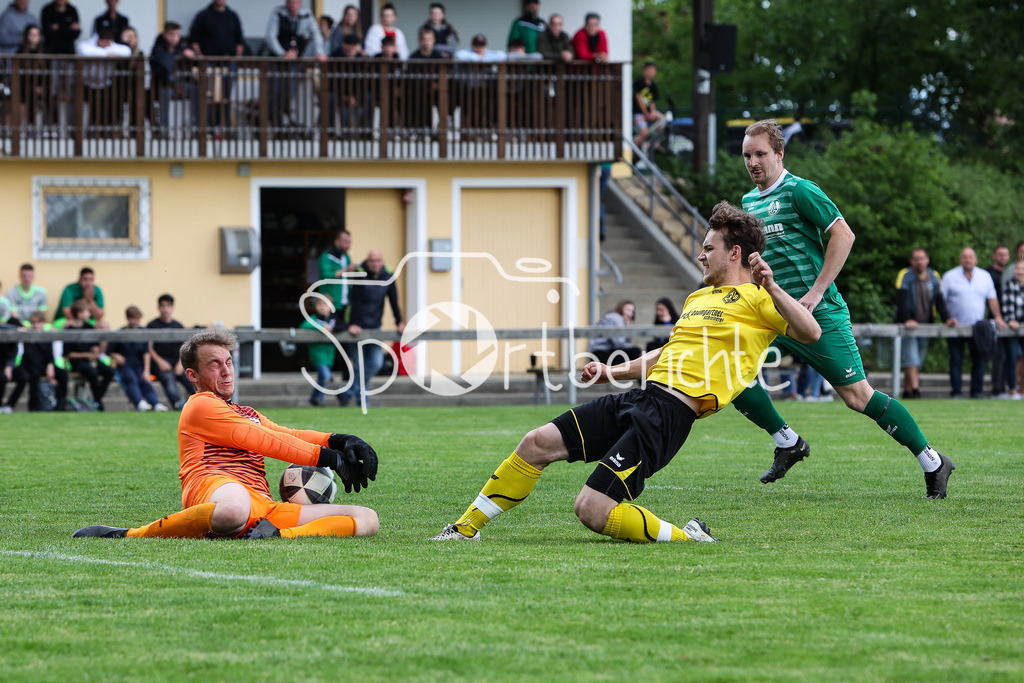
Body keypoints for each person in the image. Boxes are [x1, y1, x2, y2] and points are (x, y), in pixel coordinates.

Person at [431, 201, 822, 543]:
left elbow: (811, 331)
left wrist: (772, 287)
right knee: (536, 443)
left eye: (708, 248)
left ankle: (687, 537)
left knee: (591, 509)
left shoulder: (759, 299)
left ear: (734, 253)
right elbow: (667, 353)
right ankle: (464, 529)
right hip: (640, 398)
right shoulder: (698, 297)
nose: (701, 256)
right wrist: (609, 372)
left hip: (669, 417)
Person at [732, 119, 954, 498]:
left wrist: (817, 292)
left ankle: (933, 461)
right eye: (747, 156)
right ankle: (787, 441)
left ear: (780, 154)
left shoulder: (800, 191)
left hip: (818, 312)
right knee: (730, 370)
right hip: (775, 312)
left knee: (857, 397)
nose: (753, 162)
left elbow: (843, 234)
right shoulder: (749, 202)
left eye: (760, 154)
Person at [73, 330, 379, 540]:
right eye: (215, 364)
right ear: (193, 375)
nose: (226, 371)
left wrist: (339, 439)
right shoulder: (200, 405)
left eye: (229, 362)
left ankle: (271, 535)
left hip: (262, 506)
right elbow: (263, 441)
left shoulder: (245, 411)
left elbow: (286, 433)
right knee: (234, 507)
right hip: (214, 487)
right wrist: (331, 459)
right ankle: (130, 534)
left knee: (367, 519)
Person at [340, 250, 404, 408]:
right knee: (358, 365)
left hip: (375, 326)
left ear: (382, 261)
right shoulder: (359, 274)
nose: (375, 264)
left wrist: (399, 321)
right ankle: (363, 400)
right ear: (367, 261)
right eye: (372, 261)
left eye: (378, 260)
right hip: (357, 327)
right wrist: (352, 324)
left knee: (376, 362)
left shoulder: (388, 276)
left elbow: (394, 300)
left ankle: (348, 392)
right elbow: (353, 301)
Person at [942, 247, 1005, 398]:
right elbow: (941, 301)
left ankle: (976, 391)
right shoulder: (949, 276)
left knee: (979, 360)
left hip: (978, 328)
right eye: (965, 257)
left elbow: (992, 298)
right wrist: (946, 318)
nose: (968, 259)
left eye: (971, 257)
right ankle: (956, 392)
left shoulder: (985, 276)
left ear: (976, 259)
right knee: (956, 360)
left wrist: (998, 316)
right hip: (955, 327)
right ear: (960, 259)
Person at [895, 248, 953, 399]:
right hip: (908, 326)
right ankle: (916, 390)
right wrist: (907, 319)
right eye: (916, 259)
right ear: (911, 261)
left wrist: (947, 318)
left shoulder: (934, 277)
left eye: (922, 258)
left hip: (926, 325)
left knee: (915, 361)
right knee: (912, 358)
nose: (919, 262)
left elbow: (939, 300)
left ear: (927, 260)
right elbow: (901, 300)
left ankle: (907, 392)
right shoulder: (905, 275)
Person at [265, 0, 326, 130]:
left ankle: (282, 121)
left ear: (300, 3)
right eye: (291, 1)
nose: (293, 3)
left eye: (296, 1)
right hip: (277, 60)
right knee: (273, 92)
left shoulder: (307, 14)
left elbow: (316, 35)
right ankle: (273, 121)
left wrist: (319, 52)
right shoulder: (278, 13)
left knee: (288, 92)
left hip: (294, 61)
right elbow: (270, 37)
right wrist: (282, 54)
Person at [2, 310, 67, 412]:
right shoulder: (27, 336)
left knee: (63, 374)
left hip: (44, 365)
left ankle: (61, 405)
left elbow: (50, 354)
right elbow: (30, 356)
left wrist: (50, 365)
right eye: (34, 323)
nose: (36, 326)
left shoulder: (47, 335)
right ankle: (33, 406)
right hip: (31, 365)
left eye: (39, 323)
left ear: (43, 323)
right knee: (34, 374)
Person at [109, 305, 167, 412]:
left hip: (139, 364)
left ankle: (155, 403)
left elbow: (146, 352)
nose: (136, 322)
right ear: (128, 318)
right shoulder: (119, 333)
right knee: (131, 379)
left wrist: (146, 370)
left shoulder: (143, 332)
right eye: (133, 319)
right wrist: (116, 355)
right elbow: (109, 351)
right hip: (125, 365)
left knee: (145, 380)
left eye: (138, 319)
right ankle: (139, 402)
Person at [75, 26, 132, 133]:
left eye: (108, 43)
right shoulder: (89, 44)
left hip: (106, 84)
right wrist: (107, 54)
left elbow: (126, 51)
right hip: (88, 84)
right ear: (98, 40)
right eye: (104, 43)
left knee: (106, 109)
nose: (107, 45)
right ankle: (90, 133)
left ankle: (106, 133)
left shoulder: (113, 46)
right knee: (91, 111)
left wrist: (106, 51)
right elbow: (84, 51)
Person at [63, 299, 114, 410]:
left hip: (92, 360)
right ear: (79, 313)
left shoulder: (89, 327)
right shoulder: (69, 330)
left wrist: (95, 352)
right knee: (92, 372)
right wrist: (86, 355)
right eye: (87, 311)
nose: (89, 314)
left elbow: (95, 346)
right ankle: (97, 402)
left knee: (109, 371)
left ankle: (96, 399)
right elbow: (68, 354)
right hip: (78, 362)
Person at [146, 293, 194, 409]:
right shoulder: (152, 325)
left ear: (172, 307)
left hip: (177, 361)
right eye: (162, 306)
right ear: (158, 307)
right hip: (160, 364)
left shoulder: (178, 326)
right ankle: (178, 404)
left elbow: (185, 347)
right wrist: (159, 361)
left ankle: (204, 403)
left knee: (191, 378)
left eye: (168, 306)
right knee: (168, 378)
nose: (165, 309)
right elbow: (148, 348)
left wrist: (180, 364)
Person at [150, 21, 197, 132]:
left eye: (177, 34)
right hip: (166, 85)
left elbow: (196, 63)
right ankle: (163, 128)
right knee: (163, 93)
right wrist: (174, 85)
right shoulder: (158, 48)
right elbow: (160, 68)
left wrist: (192, 55)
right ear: (165, 34)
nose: (175, 38)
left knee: (197, 90)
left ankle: (197, 127)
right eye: (171, 34)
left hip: (184, 83)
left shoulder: (184, 45)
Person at [301, 295, 336, 407]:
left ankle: (313, 398)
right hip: (317, 353)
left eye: (325, 305)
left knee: (321, 379)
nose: (322, 307)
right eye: (320, 304)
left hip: (329, 354)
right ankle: (321, 400)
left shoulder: (333, 321)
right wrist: (320, 328)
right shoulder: (314, 319)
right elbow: (304, 326)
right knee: (326, 376)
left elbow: (342, 325)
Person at [317, 229, 356, 326]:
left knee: (344, 329)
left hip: (345, 302)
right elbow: (326, 275)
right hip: (330, 303)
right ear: (337, 242)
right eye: (346, 242)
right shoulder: (326, 255)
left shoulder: (346, 257)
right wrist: (345, 270)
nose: (348, 246)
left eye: (349, 242)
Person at [987, 245, 1011, 397]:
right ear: (994, 256)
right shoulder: (988, 274)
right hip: (996, 321)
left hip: (1012, 320)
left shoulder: (1012, 273)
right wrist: (997, 317)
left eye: (1005, 255)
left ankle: (1009, 388)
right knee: (999, 356)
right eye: (1000, 255)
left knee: (1011, 356)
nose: (1002, 257)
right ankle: (997, 389)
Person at [588, 299, 642, 365]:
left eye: (632, 311)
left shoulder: (613, 318)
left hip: (599, 354)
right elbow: (619, 343)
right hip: (601, 355)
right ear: (621, 308)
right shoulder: (616, 318)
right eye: (628, 309)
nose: (630, 313)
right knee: (635, 351)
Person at [999, 260, 1024, 399]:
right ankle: (1013, 390)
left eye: (1022, 269)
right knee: (1012, 358)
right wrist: (1011, 320)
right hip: (1011, 328)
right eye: (1018, 268)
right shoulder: (1009, 285)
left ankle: (1023, 390)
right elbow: (1008, 306)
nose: (1019, 271)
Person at [633, 61, 665, 150]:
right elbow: (639, 99)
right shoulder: (639, 82)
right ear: (644, 71)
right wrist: (646, 114)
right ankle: (631, 149)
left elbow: (652, 102)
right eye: (649, 70)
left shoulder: (653, 86)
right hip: (638, 113)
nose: (651, 72)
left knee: (663, 120)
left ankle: (655, 141)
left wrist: (652, 112)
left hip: (648, 112)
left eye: (653, 70)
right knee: (645, 133)